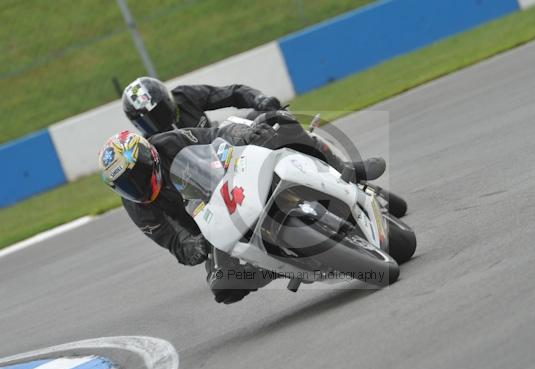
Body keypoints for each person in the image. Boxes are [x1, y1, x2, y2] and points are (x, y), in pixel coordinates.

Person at [102, 118, 385, 305]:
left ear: (147, 155)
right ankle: (275, 265)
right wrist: (197, 246)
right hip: (212, 226)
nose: (136, 186)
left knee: (279, 124)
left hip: (231, 181)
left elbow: (215, 134)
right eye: (126, 185)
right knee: (223, 288)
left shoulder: (168, 142)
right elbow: (176, 245)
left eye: (136, 175)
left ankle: (345, 170)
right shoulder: (138, 208)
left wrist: (246, 134)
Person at [121, 76, 282, 137]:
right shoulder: (149, 148)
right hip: (201, 184)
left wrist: (259, 100)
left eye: (158, 113)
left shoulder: (184, 96)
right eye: (147, 120)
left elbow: (232, 93)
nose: (156, 121)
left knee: (262, 117)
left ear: (167, 100)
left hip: (226, 143)